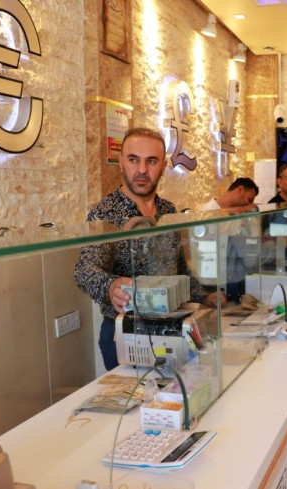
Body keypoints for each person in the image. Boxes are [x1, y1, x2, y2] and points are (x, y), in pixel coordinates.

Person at [74, 127, 224, 371]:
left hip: (174, 326)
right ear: (121, 162)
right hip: (127, 331)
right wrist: (111, 285)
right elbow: (84, 269)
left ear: (163, 165)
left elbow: (180, 268)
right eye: (134, 160)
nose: (142, 170)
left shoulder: (168, 210)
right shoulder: (106, 212)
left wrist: (205, 295)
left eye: (151, 161)